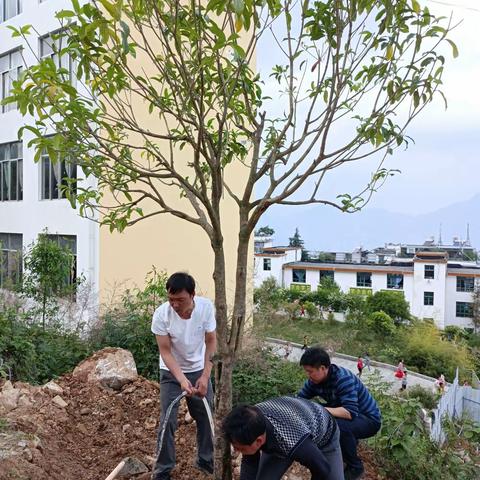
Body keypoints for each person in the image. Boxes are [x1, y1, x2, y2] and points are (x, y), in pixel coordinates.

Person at [151, 272, 217, 480]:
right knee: (168, 419)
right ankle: (163, 470)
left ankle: (206, 461)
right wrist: (180, 379)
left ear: (192, 295)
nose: (175, 304)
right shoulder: (162, 315)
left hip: (199, 368)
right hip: (171, 372)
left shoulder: (206, 308)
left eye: (180, 300)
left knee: (206, 417)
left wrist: (205, 376)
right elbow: (166, 351)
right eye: (171, 299)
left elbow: (211, 342)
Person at [298, 347, 381, 480]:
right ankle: (346, 446)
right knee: (317, 413)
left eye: (310, 372)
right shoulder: (314, 381)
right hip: (347, 412)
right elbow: (300, 399)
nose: (308, 375)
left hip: (368, 419)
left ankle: (355, 467)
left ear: (323, 368)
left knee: (337, 426)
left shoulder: (343, 379)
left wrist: (318, 409)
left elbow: (350, 413)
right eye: (307, 372)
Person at [222, 396, 344, 480]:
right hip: (289, 426)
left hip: (325, 433)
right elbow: (250, 463)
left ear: (259, 441)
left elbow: (322, 468)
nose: (237, 452)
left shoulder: (290, 440)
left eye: (241, 449)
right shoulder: (250, 422)